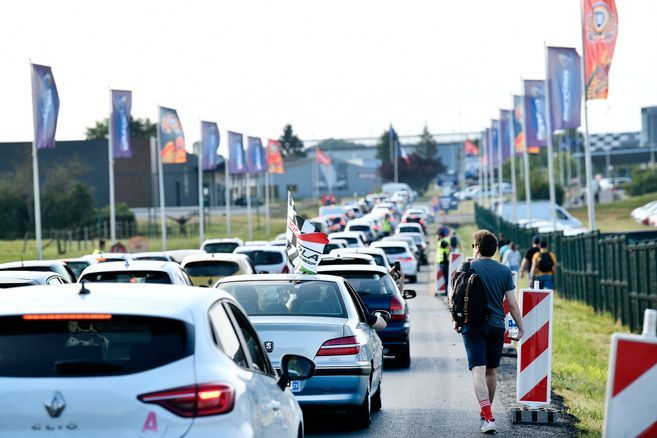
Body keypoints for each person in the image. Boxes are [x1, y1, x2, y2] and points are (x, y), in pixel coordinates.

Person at [454, 230, 524, 434]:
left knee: (477, 369)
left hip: (472, 325)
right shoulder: (504, 271)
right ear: (494, 249)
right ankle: (487, 411)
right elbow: (511, 303)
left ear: (476, 247)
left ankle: (488, 415)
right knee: (491, 370)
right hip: (495, 326)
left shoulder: (466, 267)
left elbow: (456, 297)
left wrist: (456, 321)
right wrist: (520, 327)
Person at [437, 228, 451, 294]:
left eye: (438, 235)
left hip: (444, 261)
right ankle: (446, 291)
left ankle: (446, 291)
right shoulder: (442, 241)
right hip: (442, 261)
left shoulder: (443, 241)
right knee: (445, 277)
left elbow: (449, 248)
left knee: (446, 277)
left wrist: (447, 256)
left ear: (440, 235)